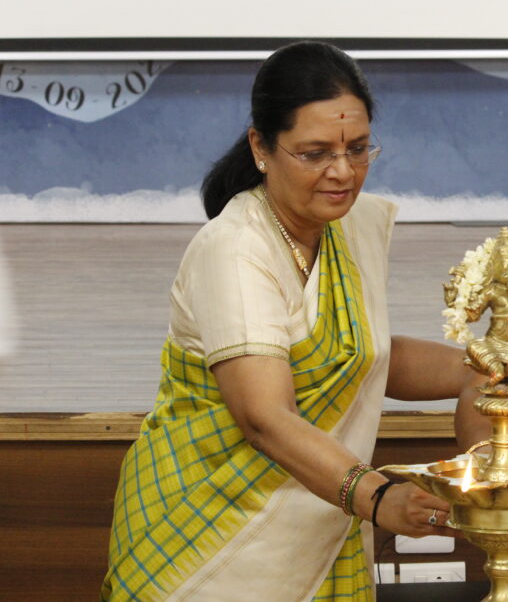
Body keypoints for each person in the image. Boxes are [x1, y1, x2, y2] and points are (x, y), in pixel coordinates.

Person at [102, 41, 477, 601]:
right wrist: (377, 497)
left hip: (320, 524)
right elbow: (264, 417)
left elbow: (362, 354)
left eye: (357, 148)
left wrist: (479, 368)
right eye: (316, 152)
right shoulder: (235, 248)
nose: (343, 171)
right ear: (261, 146)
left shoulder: (349, 228)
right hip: (208, 540)